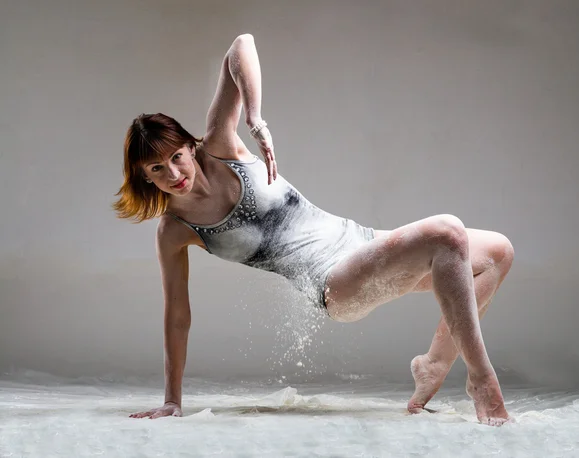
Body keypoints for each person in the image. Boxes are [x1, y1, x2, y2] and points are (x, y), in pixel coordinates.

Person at [114, 34, 514, 426]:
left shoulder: (221, 146)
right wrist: (172, 400)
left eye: (177, 157)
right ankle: (481, 380)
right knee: (447, 232)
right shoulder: (174, 230)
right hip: (334, 285)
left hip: (365, 242)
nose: (173, 173)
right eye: (156, 169)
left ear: (188, 145)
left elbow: (242, 44)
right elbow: (177, 316)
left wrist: (254, 118)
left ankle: (435, 364)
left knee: (498, 253)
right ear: (144, 177)